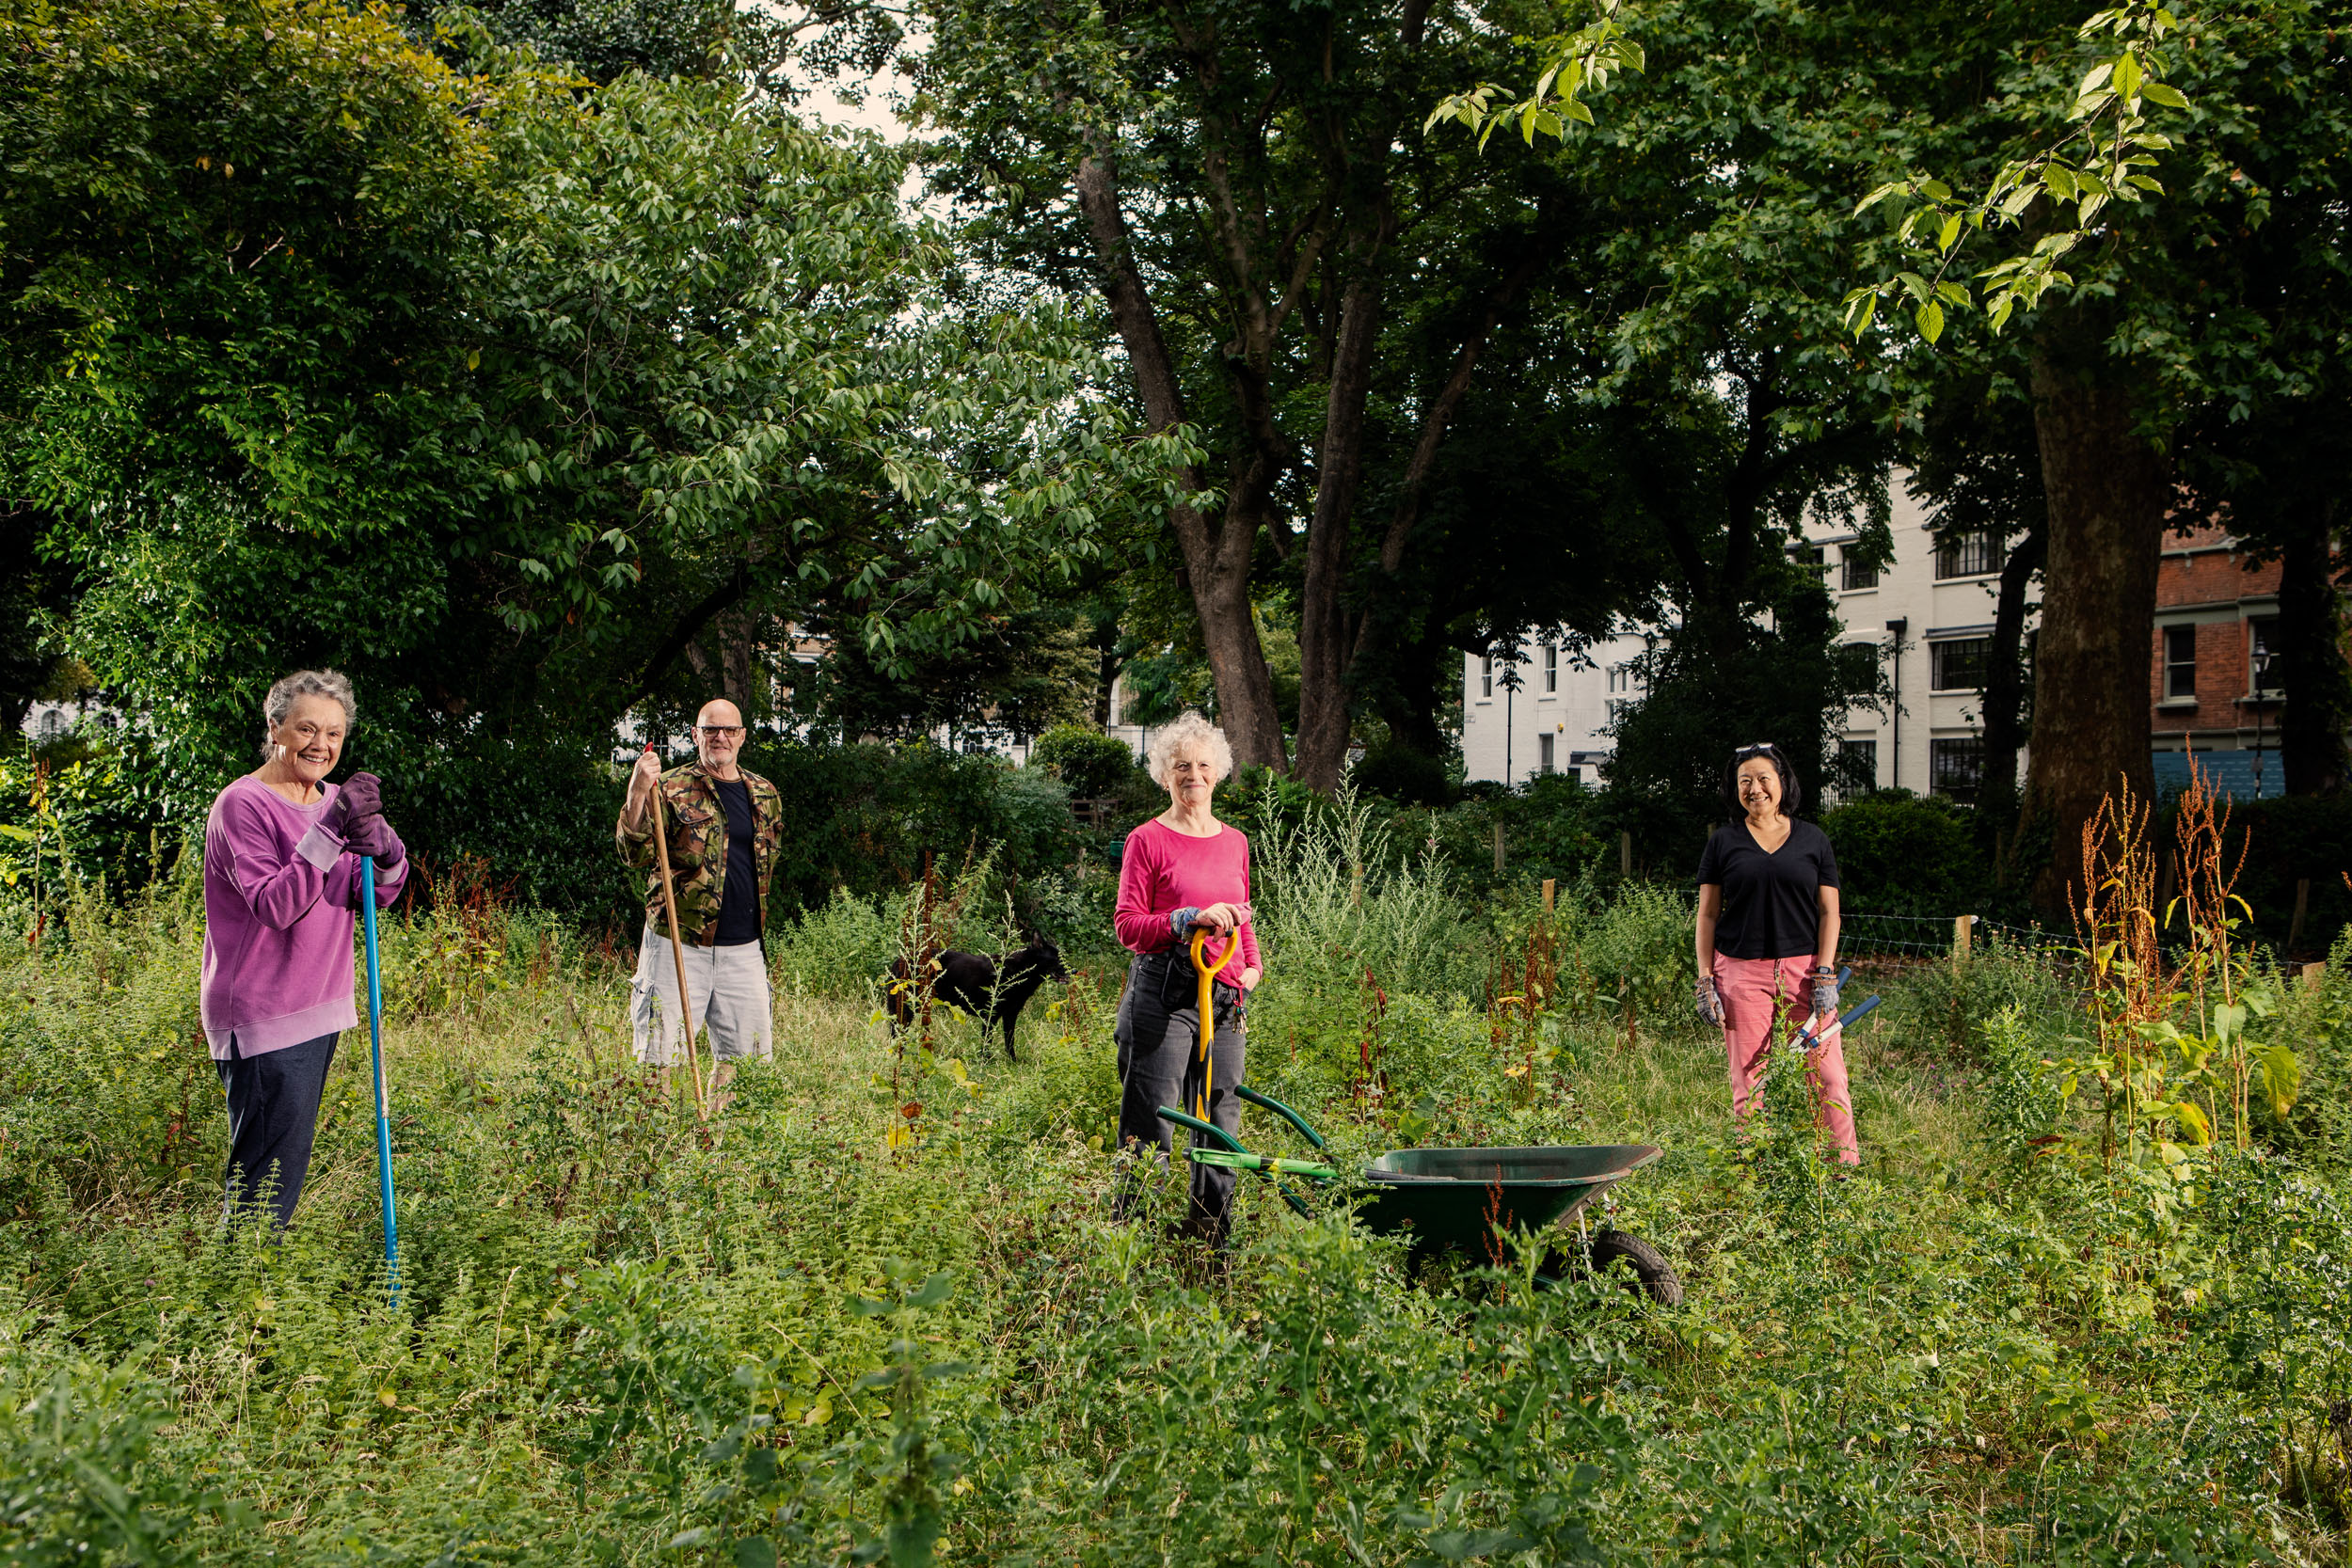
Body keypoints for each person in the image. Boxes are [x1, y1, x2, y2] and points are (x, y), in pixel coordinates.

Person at [201, 669, 408, 1227]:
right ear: (275, 728)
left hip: (317, 1008)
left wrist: (388, 851)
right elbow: (276, 905)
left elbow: (367, 892)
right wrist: (332, 829)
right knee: (265, 1188)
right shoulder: (242, 805)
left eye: (334, 733)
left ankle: (255, 1276)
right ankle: (243, 1281)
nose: (321, 745)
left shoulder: (334, 803)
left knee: (281, 1175)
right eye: (307, 729)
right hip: (264, 1014)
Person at [1111, 711, 1263, 1243]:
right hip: (1165, 991)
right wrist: (1185, 919)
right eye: (1181, 766)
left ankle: (1210, 1237)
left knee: (1222, 1116)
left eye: (1202, 765)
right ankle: (1133, 1245)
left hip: (1225, 995)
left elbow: (1242, 913)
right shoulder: (1146, 840)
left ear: (1217, 772)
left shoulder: (1235, 841)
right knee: (1152, 1120)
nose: (1193, 775)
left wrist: (1251, 965)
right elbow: (1128, 926)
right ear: (1164, 776)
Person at [1692, 741, 1860, 1166]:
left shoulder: (1813, 840)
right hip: (1741, 973)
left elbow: (1830, 912)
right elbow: (1708, 915)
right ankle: (1756, 1171)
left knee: (1828, 1076)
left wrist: (1825, 973)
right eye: (1744, 781)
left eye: (1763, 778)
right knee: (1750, 1079)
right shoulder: (1723, 842)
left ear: (1782, 782)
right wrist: (1705, 979)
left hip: (1805, 974)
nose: (1755, 789)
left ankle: (1841, 1171)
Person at [616, 698, 783, 1102]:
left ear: (742, 736)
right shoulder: (668, 787)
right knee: (660, 1058)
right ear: (696, 735)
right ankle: (658, 1137)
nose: (720, 737)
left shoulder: (765, 793)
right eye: (710, 729)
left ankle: (723, 1138)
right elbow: (633, 853)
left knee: (745, 1064)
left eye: (729, 730)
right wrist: (637, 790)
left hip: (743, 948)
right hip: (678, 943)